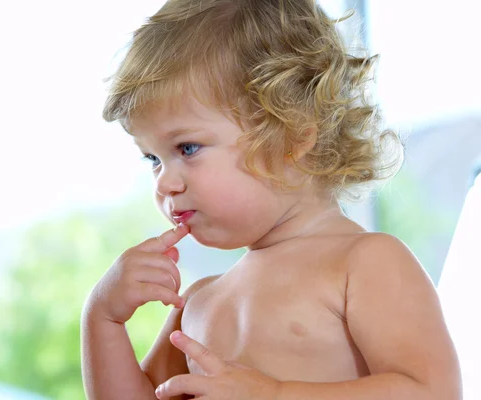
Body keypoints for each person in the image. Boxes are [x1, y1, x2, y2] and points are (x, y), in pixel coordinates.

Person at [81, 1, 461, 399]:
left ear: (292, 136)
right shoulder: (197, 303)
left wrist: (276, 394)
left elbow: (433, 391)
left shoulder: (366, 262)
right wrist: (103, 318)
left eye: (187, 148)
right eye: (153, 159)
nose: (165, 183)